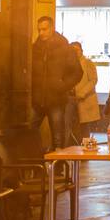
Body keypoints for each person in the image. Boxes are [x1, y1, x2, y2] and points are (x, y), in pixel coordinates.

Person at [30, 17, 81, 150]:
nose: (41, 33)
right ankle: (34, 164)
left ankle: (58, 168)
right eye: (39, 29)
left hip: (56, 98)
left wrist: (62, 86)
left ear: (52, 28)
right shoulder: (35, 49)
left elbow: (77, 72)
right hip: (37, 98)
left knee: (57, 137)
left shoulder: (65, 48)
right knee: (29, 131)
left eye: (44, 29)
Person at [69, 42, 101, 142]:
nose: (74, 52)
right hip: (71, 100)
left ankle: (85, 151)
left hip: (84, 99)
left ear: (81, 51)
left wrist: (82, 93)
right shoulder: (68, 64)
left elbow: (93, 80)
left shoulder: (88, 63)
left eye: (76, 50)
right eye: (72, 50)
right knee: (72, 126)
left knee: (84, 127)